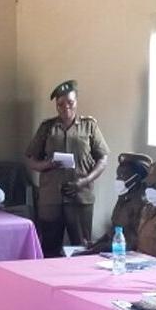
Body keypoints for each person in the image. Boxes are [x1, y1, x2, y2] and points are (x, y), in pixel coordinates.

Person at [25, 80, 110, 257]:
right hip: (51, 199)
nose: (65, 107)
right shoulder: (47, 128)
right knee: (49, 247)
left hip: (80, 197)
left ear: (76, 102)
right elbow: (31, 160)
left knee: (82, 247)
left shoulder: (89, 126)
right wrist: (47, 164)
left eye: (70, 102)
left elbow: (103, 159)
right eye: (60, 104)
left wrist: (84, 181)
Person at [82, 153, 151, 254]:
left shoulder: (142, 204)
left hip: (129, 255)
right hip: (114, 250)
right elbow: (114, 229)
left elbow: (134, 242)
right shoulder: (123, 198)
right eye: (118, 176)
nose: (118, 180)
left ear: (137, 178)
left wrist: (103, 248)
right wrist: (95, 243)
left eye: (122, 176)